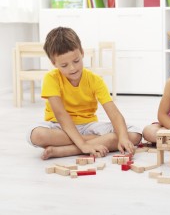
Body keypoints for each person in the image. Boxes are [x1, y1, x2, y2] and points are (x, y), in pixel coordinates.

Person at [27, 27, 142, 160]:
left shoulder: (95, 80)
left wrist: (122, 138)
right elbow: (60, 115)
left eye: (76, 61)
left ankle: (66, 150)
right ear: (54, 63)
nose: (72, 68)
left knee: (134, 134)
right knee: (37, 135)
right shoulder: (50, 78)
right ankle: (92, 142)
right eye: (64, 65)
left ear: (81, 53)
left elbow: (114, 114)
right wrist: (83, 144)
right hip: (59, 126)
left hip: (88, 126)